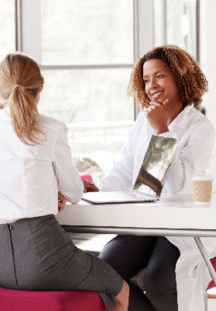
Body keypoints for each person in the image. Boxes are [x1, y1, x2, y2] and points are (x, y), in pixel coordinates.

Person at [0, 53, 129, 311]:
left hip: (3, 263)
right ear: (41, 86)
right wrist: (51, 193)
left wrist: (44, 193)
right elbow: (73, 192)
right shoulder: (51, 128)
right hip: (45, 257)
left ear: (0, 91)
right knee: (120, 289)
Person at [85, 45, 215, 311]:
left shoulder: (200, 128)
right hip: (144, 220)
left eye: (159, 76)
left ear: (180, 76)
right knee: (104, 273)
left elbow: (178, 184)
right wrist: (98, 190)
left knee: (160, 280)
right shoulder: (144, 122)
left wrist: (162, 131)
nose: (151, 85)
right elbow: (123, 169)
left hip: (181, 227)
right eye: (146, 79)